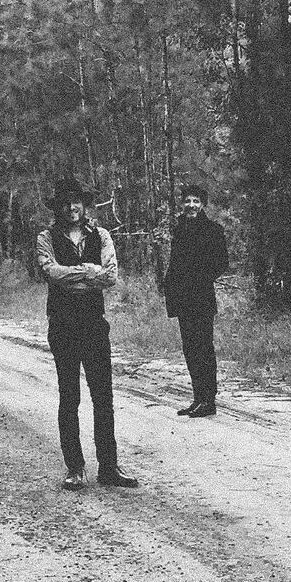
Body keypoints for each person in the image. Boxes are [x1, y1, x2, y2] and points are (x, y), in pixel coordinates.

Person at [35, 178, 139, 491]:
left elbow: (111, 276)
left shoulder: (101, 235)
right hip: (63, 325)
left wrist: (75, 276)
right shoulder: (46, 237)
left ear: (85, 204)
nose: (72, 208)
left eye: (77, 201)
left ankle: (108, 467)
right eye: (66, 202)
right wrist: (87, 271)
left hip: (94, 324)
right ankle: (75, 468)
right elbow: (49, 272)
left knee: (103, 397)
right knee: (70, 397)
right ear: (58, 207)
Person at [160, 185, 229, 417]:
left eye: (196, 201)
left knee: (204, 348)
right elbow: (175, 263)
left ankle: (209, 401)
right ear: (182, 203)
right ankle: (198, 398)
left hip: (201, 298)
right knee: (189, 348)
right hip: (182, 299)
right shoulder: (180, 229)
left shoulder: (213, 230)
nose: (191, 205)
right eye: (188, 201)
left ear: (203, 204)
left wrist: (199, 279)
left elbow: (222, 263)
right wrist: (170, 287)